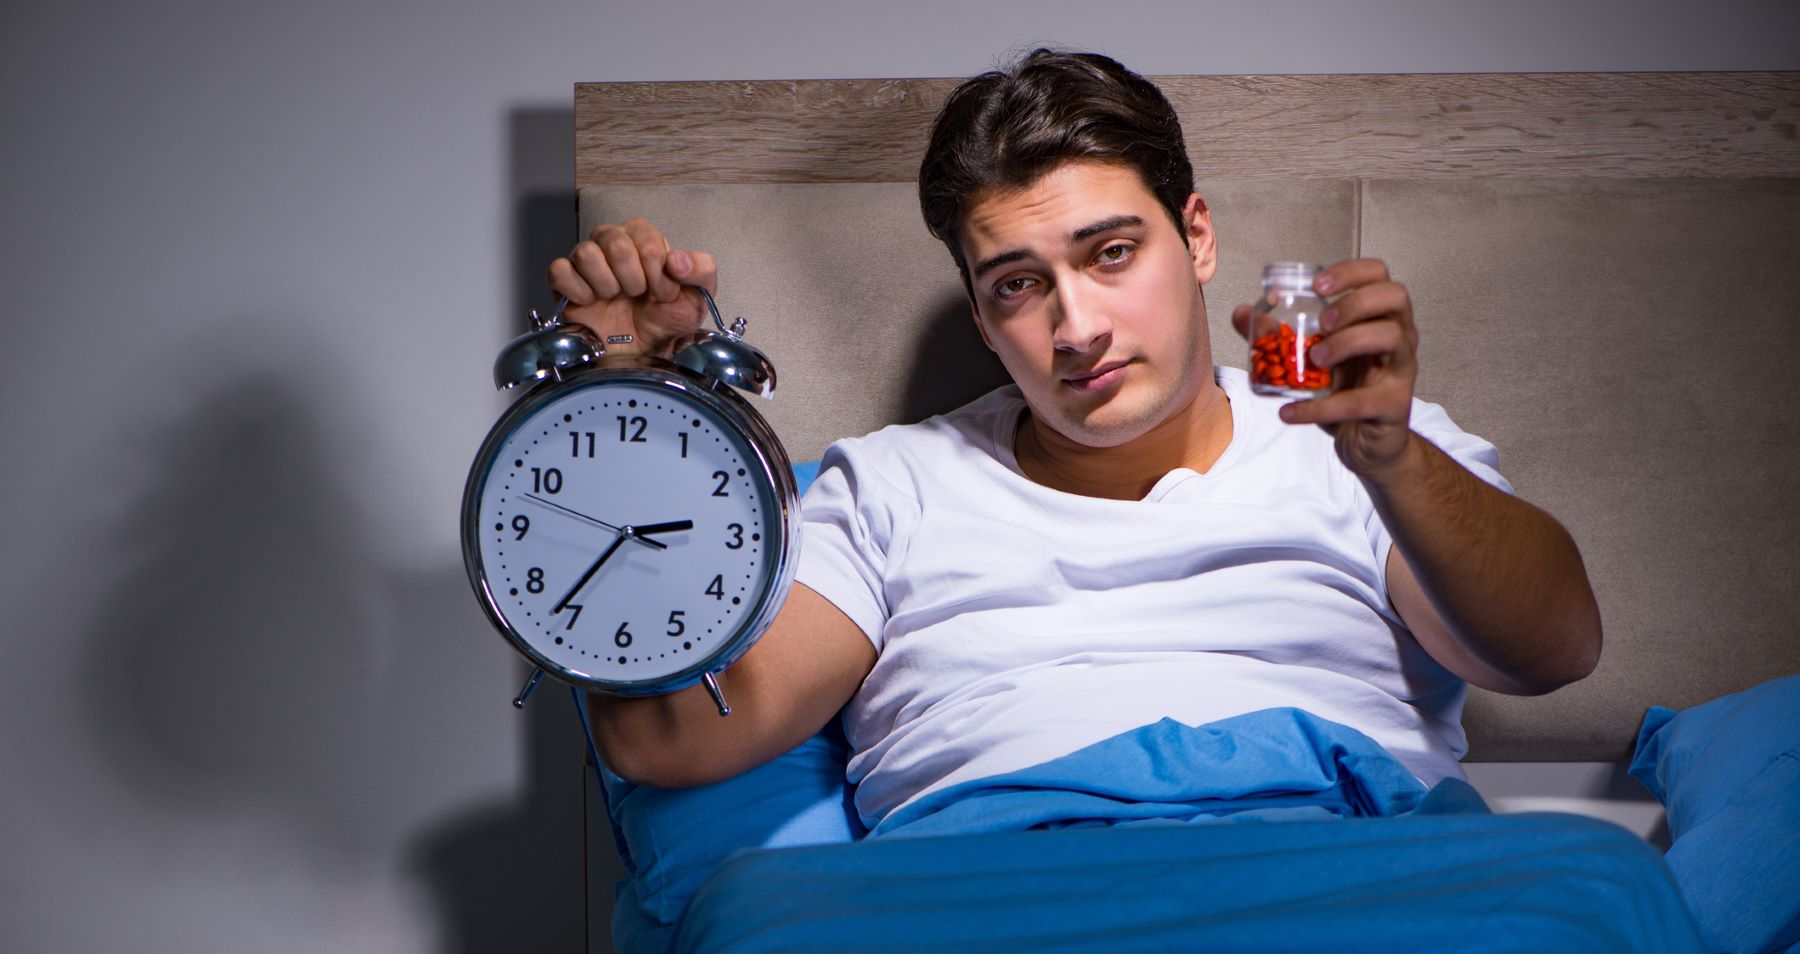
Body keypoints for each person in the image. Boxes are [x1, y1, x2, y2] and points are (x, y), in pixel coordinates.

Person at [547, 49, 1602, 831]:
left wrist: (1393, 461)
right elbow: (666, 738)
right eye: (1019, 283)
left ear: (1196, 237)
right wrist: (633, 410)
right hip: (998, 925)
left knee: (1589, 893)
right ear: (980, 314)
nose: (1077, 325)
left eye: (1110, 253)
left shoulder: (1365, 445)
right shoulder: (889, 489)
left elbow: (1552, 650)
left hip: (1340, 892)